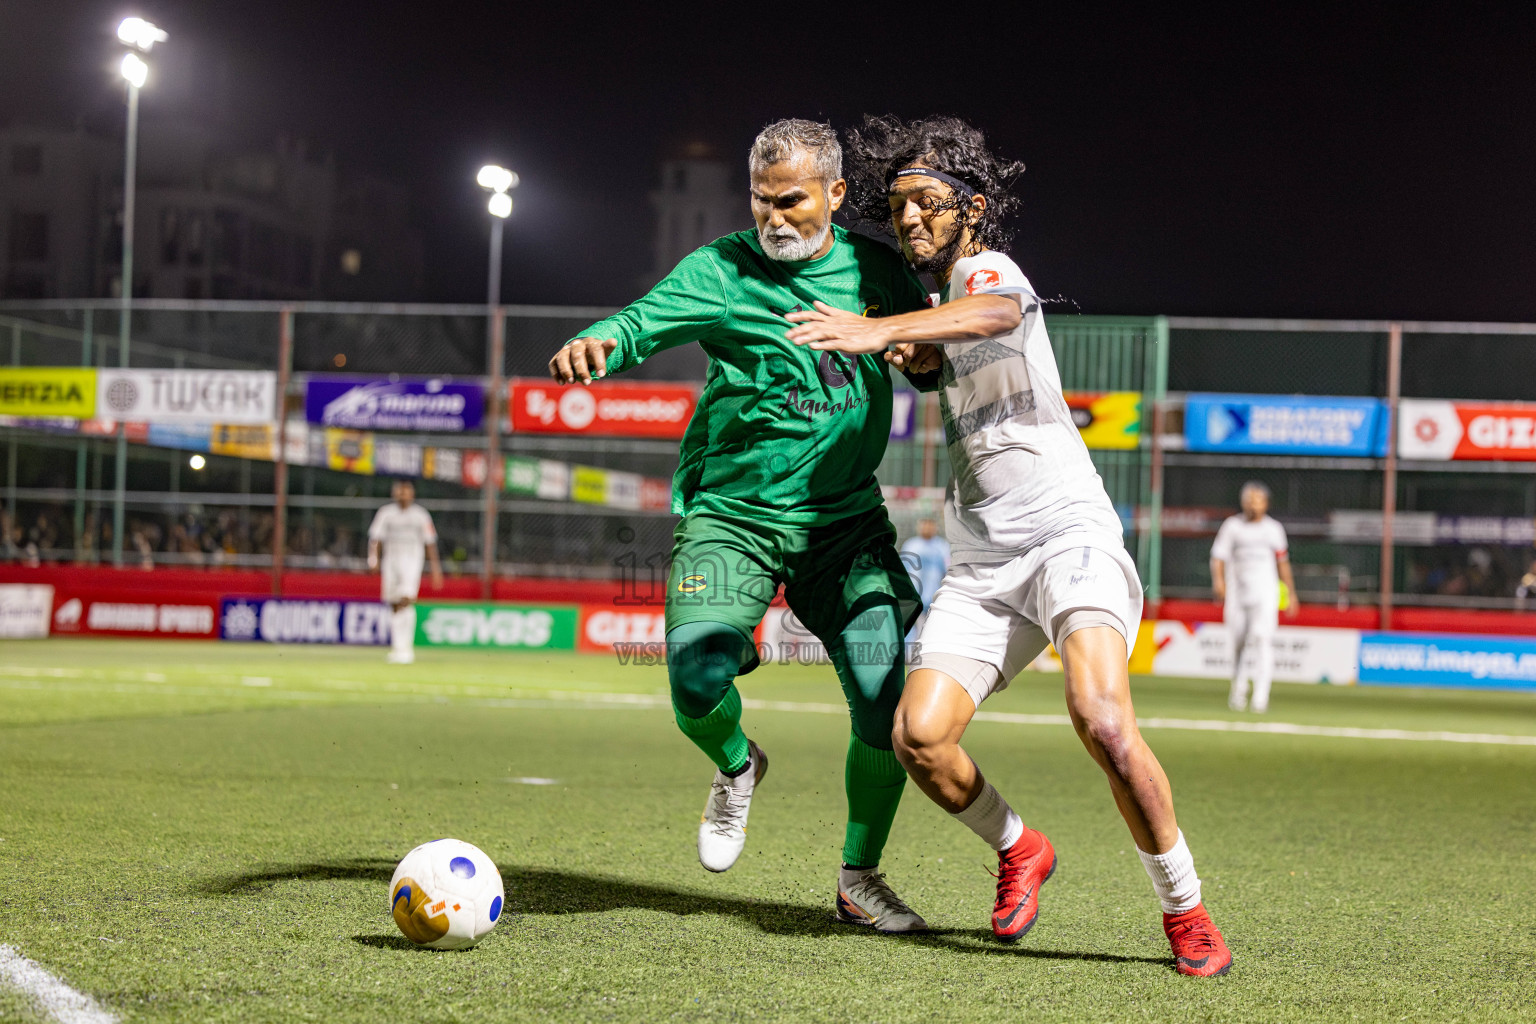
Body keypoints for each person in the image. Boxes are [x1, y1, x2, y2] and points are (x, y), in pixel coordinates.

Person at [786, 115, 1232, 976]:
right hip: (985, 559)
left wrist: (878, 333)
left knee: (1102, 720)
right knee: (919, 737)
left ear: (973, 207)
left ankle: (1185, 909)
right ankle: (1020, 846)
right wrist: (886, 333)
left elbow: (992, 312)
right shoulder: (930, 305)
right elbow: (925, 353)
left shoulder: (988, 272)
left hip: (1068, 533)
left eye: (927, 203)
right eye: (899, 206)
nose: (909, 218)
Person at [548, 119, 933, 932]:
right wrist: (599, 343)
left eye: (791, 201)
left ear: (834, 193)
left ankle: (859, 878)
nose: (774, 219)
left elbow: (929, 356)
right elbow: (640, 321)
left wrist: (923, 358)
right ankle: (736, 764)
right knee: (693, 674)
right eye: (762, 202)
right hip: (733, 518)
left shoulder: (878, 271)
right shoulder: (721, 268)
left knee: (885, 698)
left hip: (843, 527)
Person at [1210, 481, 1297, 713]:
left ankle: (1260, 696)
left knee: (1262, 640)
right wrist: (1218, 581)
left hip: (1265, 594)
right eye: (1249, 499)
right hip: (1237, 595)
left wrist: (1291, 592)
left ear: (1266, 503)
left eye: (1257, 500)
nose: (1253, 504)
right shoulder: (1232, 526)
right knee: (1237, 643)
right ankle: (1238, 692)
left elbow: (1283, 563)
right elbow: (1218, 556)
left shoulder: (1273, 529)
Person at [367, 479, 443, 665]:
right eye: (400, 492)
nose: (403, 495)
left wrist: (435, 569)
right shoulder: (386, 513)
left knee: (406, 599)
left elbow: (430, 543)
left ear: (412, 494)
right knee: (394, 603)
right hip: (391, 561)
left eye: (406, 492)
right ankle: (397, 647)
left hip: (412, 561)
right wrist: (373, 559)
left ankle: (407, 648)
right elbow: (375, 538)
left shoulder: (420, 515)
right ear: (394, 494)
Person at [901, 517, 951, 612]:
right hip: (913, 595)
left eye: (930, 526)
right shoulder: (910, 545)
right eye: (924, 526)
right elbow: (903, 570)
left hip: (935, 595)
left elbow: (947, 570)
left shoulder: (942, 546)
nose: (927, 528)